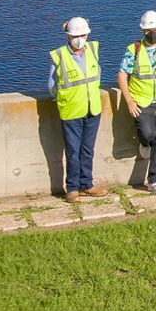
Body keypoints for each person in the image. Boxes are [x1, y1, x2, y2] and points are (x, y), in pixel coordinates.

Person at [117, 10, 156, 193]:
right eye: (148, 30)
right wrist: (129, 101)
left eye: (154, 29)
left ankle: (154, 179)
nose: (152, 33)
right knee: (147, 134)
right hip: (142, 102)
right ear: (142, 31)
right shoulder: (134, 50)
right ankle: (144, 144)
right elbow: (122, 75)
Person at [48, 17, 109, 203]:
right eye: (75, 36)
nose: (79, 39)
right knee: (73, 152)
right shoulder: (59, 56)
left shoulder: (93, 50)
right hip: (71, 110)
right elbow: (52, 86)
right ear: (68, 36)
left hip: (92, 109)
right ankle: (72, 188)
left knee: (87, 150)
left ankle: (86, 185)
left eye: (82, 35)